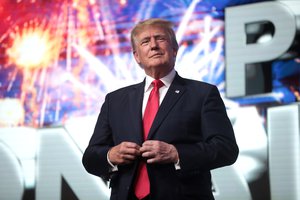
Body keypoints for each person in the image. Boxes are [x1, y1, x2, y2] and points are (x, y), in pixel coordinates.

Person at [82, 18, 239, 200]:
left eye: (160, 39)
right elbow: (90, 158)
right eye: (145, 42)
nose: (154, 46)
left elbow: (226, 149)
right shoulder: (115, 101)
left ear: (174, 50)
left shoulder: (203, 94)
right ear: (136, 56)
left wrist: (176, 153)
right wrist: (111, 155)